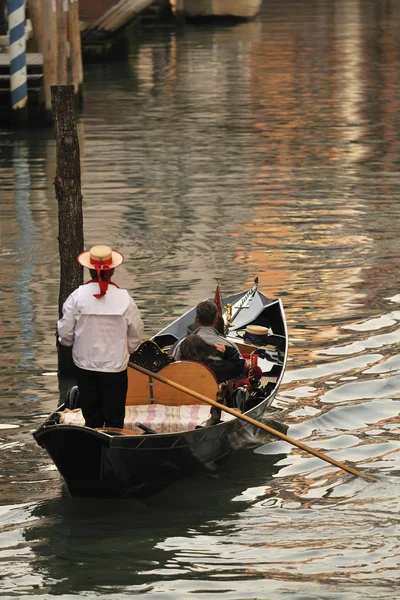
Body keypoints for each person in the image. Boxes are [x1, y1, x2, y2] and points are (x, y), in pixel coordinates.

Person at [57, 245, 144, 429]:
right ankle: (112, 451)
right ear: (112, 270)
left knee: (92, 418)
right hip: (115, 369)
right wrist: (125, 351)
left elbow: (65, 334)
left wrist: (73, 344)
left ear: (89, 271)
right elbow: (136, 336)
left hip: (85, 367)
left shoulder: (76, 297)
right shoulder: (125, 299)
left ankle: (92, 450)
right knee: (114, 419)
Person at [170, 300, 245, 381]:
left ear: (196, 319)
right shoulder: (229, 345)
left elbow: (172, 368)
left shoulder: (180, 345)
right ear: (216, 319)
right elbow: (241, 370)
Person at [179, 334, 244, 384]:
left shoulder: (174, 368)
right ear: (205, 349)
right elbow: (238, 366)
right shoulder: (213, 367)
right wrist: (226, 351)